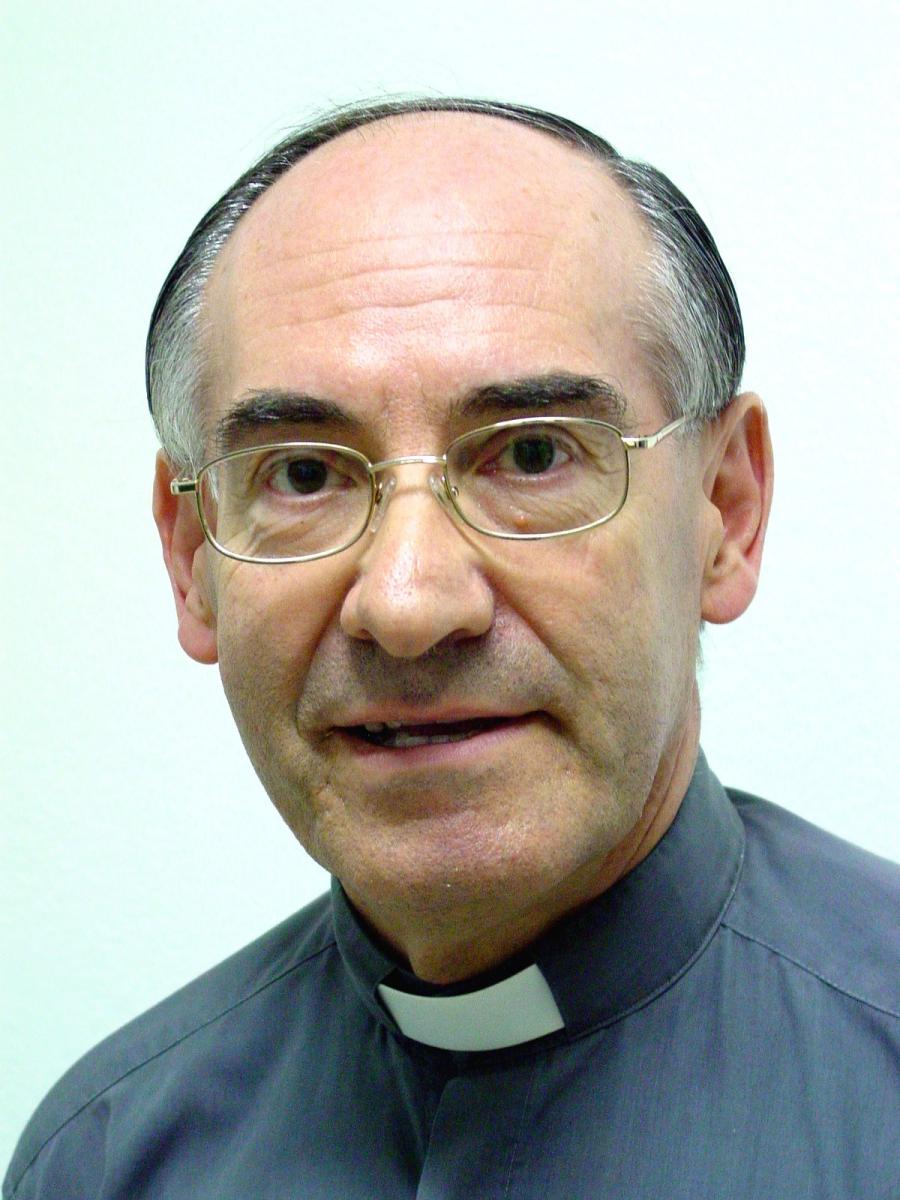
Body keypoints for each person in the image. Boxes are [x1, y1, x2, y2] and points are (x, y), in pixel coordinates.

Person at [5, 97, 898, 1200]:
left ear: (726, 511)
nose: (407, 603)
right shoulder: (103, 1162)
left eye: (531, 456)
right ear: (193, 558)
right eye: (302, 474)